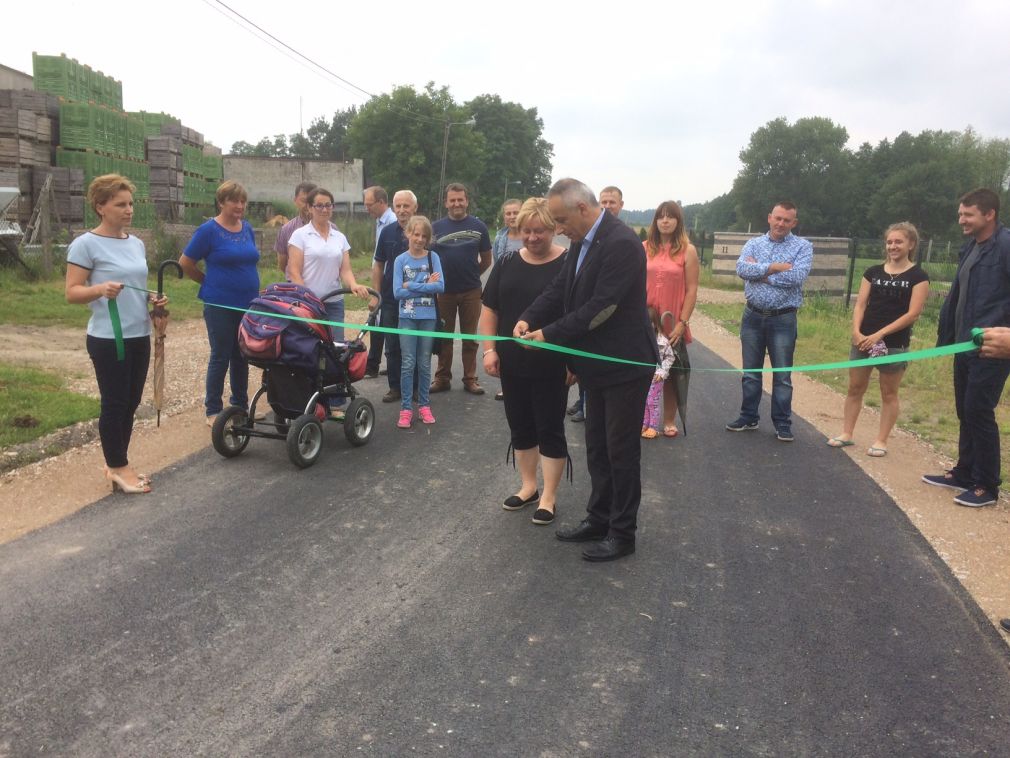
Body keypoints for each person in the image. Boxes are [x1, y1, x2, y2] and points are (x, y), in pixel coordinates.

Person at [515, 178, 657, 562]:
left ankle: (622, 533)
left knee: (620, 450)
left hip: (625, 364)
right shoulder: (581, 241)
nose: (558, 229)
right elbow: (560, 289)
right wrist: (528, 317)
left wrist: (549, 334)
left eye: (561, 220)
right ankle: (599, 518)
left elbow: (602, 307)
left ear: (582, 208)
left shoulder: (622, 243)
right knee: (596, 446)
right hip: (594, 364)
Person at [65, 174, 167, 494]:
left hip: (139, 333)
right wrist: (100, 289)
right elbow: (72, 292)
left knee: (132, 402)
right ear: (100, 207)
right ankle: (120, 467)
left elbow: (133, 284)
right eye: (120, 204)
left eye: (131, 204)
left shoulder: (135, 243)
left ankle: (116, 462)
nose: (129, 210)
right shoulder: (85, 244)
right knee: (115, 402)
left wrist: (151, 296)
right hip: (109, 337)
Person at [480, 197, 569, 525]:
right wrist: (489, 350)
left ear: (554, 229)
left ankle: (549, 496)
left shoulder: (569, 264)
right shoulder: (505, 262)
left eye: (540, 231)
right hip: (511, 362)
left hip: (553, 364)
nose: (532, 237)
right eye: (526, 231)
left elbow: (578, 317)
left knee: (550, 426)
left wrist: (574, 362)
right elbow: (490, 309)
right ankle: (529, 486)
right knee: (520, 425)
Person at [923, 188, 1010, 508]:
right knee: (965, 408)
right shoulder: (971, 247)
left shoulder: (1005, 246)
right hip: (963, 344)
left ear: (990, 214)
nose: (961, 219)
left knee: (978, 410)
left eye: (968, 214)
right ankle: (964, 472)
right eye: (960, 214)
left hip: (991, 348)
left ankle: (986, 485)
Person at [826, 222, 929, 456]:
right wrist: (857, 331)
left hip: (894, 343)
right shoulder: (872, 272)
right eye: (890, 241)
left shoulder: (918, 276)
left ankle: (881, 440)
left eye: (898, 242)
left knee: (888, 393)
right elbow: (861, 304)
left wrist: (880, 334)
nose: (893, 246)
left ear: (911, 244)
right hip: (863, 340)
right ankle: (847, 433)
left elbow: (912, 314)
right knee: (855, 387)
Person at [726, 201, 813, 441]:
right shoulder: (753, 244)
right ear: (769, 218)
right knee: (751, 372)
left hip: (783, 319)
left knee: (782, 375)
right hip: (752, 316)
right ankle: (748, 416)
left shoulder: (803, 247)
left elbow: (797, 276)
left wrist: (762, 274)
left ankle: (782, 423)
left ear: (793, 223)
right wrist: (775, 267)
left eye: (787, 220)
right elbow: (742, 269)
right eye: (778, 218)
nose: (781, 223)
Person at [179, 180, 260, 426]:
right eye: (234, 200)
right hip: (220, 305)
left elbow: (250, 259)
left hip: (247, 302)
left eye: (243, 201)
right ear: (221, 202)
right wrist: (208, 283)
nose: (239, 205)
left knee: (242, 354)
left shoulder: (247, 229)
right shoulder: (208, 230)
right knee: (221, 354)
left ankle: (240, 406)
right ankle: (213, 409)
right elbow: (185, 263)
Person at [287, 187, 370, 418]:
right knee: (309, 350)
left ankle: (333, 402)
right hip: (308, 305)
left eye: (328, 205)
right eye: (319, 205)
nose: (324, 209)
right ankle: (309, 400)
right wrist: (308, 298)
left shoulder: (339, 237)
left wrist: (353, 285)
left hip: (333, 303)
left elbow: (346, 270)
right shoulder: (300, 235)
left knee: (335, 351)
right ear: (310, 208)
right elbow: (294, 271)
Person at [430, 183, 492, 395]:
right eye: (452, 200)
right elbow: (429, 258)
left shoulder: (479, 226)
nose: (457, 203)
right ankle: (442, 378)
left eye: (460, 199)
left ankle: (470, 378)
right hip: (444, 291)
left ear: (466, 201)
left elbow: (486, 259)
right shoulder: (435, 228)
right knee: (444, 336)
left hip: (471, 291)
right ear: (446, 202)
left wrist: (473, 273)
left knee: (470, 337)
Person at [644, 200, 699, 437]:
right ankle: (643, 419)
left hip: (673, 321)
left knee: (671, 372)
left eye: (670, 216)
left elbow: (692, 289)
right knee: (643, 371)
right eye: (661, 216)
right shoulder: (644, 247)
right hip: (646, 320)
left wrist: (682, 322)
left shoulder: (688, 250)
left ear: (678, 221)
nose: (665, 221)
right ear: (655, 221)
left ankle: (668, 419)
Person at [392, 216, 444, 428]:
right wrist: (425, 283)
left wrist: (411, 285)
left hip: (428, 318)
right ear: (408, 234)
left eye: (424, 236)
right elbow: (397, 292)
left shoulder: (433, 257)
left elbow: (440, 286)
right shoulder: (400, 260)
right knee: (408, 363)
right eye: (416, 234)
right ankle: (406, 408)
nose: (420, 239)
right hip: (407, 318)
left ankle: (424, 405)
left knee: (423, 364)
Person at [373, 190, 418, 403]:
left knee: (414, 344)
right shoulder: (387, 232)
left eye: (406, 206)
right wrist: (376, 295)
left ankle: (416, 388)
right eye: (398, 206)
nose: (401, 210)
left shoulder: (423, 232)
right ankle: (395, 387)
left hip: (417, 298)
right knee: (392, 346)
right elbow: (378, 264)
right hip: (390, 298)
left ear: (414, 208)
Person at [363, 185, 398, 378]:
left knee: (382, 321)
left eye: (369, 205)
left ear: (382, 202)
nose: (367, 208)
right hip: (381, 278)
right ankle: (374, 363)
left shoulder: (391, 222)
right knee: (378, 320)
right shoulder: (380, 221)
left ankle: (374, 364)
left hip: (389, 280)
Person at [641, 307, 677, 440]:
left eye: (649, 323)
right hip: (644, 375)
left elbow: (670, 357)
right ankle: (645, 423)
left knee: (652, 401)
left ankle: (653, 427)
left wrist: (662, 371)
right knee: (644, 401)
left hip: (656, 377)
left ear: (655, 323)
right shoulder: (641, 338)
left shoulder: (662, 341)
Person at [273, 181, 317, 277]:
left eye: (312, 201)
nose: (308, 205)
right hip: (297, 288)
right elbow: (283, 265)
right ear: (295, 201)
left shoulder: (332, 229)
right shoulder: (286, 230)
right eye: (304, 201)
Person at [491, 198, 523, 263]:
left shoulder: (531, 238)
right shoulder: (499, 239)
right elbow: (497, 266)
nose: (512, 216)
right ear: (504, 216)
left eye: (516, 213)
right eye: (508, 214)